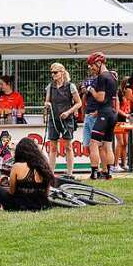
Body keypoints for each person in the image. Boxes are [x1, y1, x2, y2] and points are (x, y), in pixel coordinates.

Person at [0, 137, 53, 211]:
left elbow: (12, 191)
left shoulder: (17, 166)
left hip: (20, 205)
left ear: (19, 152)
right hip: (42, 204)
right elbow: (46, 193)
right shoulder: (44, 166)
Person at [44, 62, 81, 176]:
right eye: (52, 73)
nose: (53, 75)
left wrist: (68, 112)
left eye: (55, 72)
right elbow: (47, 101)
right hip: (54, 119)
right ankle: (51, 173)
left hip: (67, 119)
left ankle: (70, 173)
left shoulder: (70, 86)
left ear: (62, 72)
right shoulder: (50, 86)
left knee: (68, 146)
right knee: (53, 146)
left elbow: (78, 103)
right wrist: (47, 105)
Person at [86, 51, 119, 181]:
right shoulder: (113, 76)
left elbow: (100, 98)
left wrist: (91, 89)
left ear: (99, 63)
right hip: (112, 113)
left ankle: (94, 173)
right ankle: (108, 173)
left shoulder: (102, 77)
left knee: (93, 143)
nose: (91, 68)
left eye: (92, 65)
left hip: (104, 113)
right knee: (107, 144)